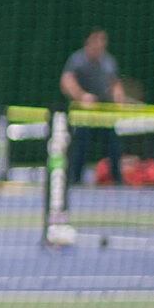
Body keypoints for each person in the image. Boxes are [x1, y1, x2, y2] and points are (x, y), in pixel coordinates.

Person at [60, 28, 124, 188]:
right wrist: (83, 97)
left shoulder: (109, 61)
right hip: (83, 116)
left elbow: (115, 84)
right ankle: (74, 180)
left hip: (104, 115)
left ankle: (118, 180)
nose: (101, 44)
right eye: (97, 39)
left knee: (114, 144)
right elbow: (66, 81)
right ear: (88, 41)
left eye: (103, 40)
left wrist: (119, 100)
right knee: (80, 143)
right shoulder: (77, 59)